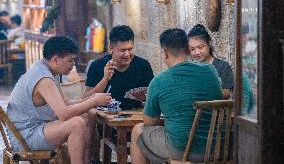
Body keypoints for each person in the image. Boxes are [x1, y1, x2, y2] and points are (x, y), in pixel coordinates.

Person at [6, 36, 112, 164]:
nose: (73, 65)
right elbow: (64, 113)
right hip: (24, 137)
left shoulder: (48, 71)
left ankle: (88, 160)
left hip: (36, 127)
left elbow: (66, 103)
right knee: (76, 123)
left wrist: (93, 98)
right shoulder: (44, 78)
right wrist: (94, 101)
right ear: (56, 59)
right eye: (70, 61)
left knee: (88, 114)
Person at [130, 28, 223, 164]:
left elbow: (150, 122)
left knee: (137, 130)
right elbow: (218, 100)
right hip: (215, 148)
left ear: (165, 53)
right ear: (187, 49)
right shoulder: (211, 71)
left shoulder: (159, 81)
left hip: (182, 150)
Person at [84, 25, 154, 110]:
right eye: (122, 50)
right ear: (111, 49)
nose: (127, 54)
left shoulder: (143, 66)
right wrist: (105, 79)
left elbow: (152, 97)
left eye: (130, 49)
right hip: (104, 117)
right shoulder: (97, 66)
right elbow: (85, 100)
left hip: (135, 115)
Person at [188, 24, 234, 99]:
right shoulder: (189, 69)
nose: (197, 52)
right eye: (192, 49)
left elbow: (227, 94)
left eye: (200, 47)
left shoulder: (222, 66)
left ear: (209, 44)